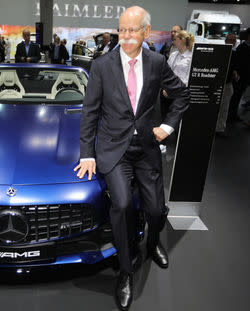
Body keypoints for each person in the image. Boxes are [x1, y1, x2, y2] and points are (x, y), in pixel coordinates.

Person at [74, 6, 189, 311]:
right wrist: (87, 153)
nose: (125, 36)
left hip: (148, 148)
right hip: (114, 149)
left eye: (132, 30)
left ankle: (151, 244)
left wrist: (167, 126)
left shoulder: (157, 62)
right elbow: (90, 112)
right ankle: (125, 271)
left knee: (155, 210)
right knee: (122, 205)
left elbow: (182, 96)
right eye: (121, 29)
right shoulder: (101, 66)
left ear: (146, 32)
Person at [159, 30, 193, 153]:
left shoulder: (192, 56)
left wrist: (175, 89)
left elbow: (190, 77)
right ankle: (162, 144)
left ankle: (181, 146)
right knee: (164, 117)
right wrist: (165, 88)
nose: (173, 42)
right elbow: (166, 73)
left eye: (175, 39)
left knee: (179, 118)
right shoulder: (173, 55)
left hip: (181, 93)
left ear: (182, 40)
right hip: (167, 91)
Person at [227, 27, 250, 123]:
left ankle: (233, 114)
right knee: (235, 97)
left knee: (237, 97)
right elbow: (239, 63)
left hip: (245, 77)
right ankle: (230, 115)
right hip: (239, 77)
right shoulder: (242, 47)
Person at [216, 34, 238, 136]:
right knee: (216, 107)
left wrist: (235, 73)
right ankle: (212, 126)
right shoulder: (219, 53)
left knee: (225, 108)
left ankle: (220, 129)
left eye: (233, 40)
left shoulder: (235, 54)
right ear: (226, 40)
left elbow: (237, 69)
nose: (232, 42)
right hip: (217, 84)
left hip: (228, 84)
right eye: (230, 40)